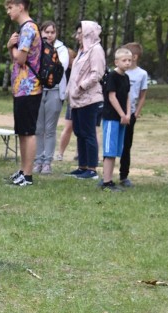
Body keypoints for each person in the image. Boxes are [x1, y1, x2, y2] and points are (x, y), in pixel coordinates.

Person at [5, 0, 42, 187]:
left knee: (28, 131)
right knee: (21, 131)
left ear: (21, 6)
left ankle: (28, 175)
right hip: (22, 88)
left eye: (10, 7)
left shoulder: (28, 28)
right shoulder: (25, 28)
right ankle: (22, 170)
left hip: (29, 87)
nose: (8, 11)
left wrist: (10, 46)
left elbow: (20, 58)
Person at [66, 21, 106, 180]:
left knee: (89, 133)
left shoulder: (96, 50)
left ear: (88, 33)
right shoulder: (82, 50)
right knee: (79, 132)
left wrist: (81, 87)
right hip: (76, 99)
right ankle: (82, 166)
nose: (77, 37)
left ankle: (92, 168)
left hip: (90, 99)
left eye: (79, 33)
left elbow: (97, 74)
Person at [33, 21, 69, 175]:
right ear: (41, 32)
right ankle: (37, 160)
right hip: (38, 91)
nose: (49, 35)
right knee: (38, 129)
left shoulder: (61, 49)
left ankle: (47, 161)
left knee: (50, 129)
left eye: (52, 32)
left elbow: (61, 67)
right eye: (46, 32)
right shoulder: (36, 47)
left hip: (55, 91)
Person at [99, 47, 132, 190]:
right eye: (124, 60)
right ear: (116, 62)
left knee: (116, 150)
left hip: (122, 119)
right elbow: (112, 97)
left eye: (129, 60)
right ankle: (106, 182)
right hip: (112, 117)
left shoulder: (126, 77)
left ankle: (108, 178)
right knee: (109, 150)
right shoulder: (112, 76)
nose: (127, 63)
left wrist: (128, 114)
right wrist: (121, 114)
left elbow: (128, 97)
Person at [118, 42, 149, 187]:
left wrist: (136, 113)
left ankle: (124, 176)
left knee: (126, 145)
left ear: (134, 57)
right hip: (117, 113)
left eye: (128, 57)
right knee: (113, 144)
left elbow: (143, 95)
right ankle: (107, 174)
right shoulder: (117, 72)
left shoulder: (141, 74)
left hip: (130, 114)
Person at [56, 46, 77, 162]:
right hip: (71, 100)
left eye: (71, 58)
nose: (69, 62)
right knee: (68, 127)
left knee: (82, 129)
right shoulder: (64, 71)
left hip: (80, 99)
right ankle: (60, 153)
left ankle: (79, 154)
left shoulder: (78, 68)